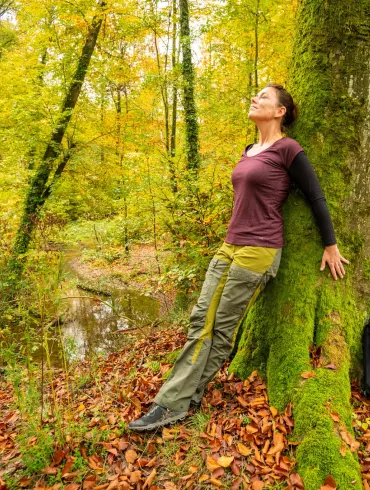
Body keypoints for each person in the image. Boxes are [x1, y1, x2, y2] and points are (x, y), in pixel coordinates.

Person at [128, 83, 349, 431]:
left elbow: (316, 196)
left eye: (263, 97)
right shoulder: (249, 150)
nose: (254, 98)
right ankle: (186, 398)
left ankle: (168, 404)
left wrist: (330, 244)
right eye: (255, 95)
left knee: (218, 329)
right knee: (201, 323)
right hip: (230, 245)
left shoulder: (288, 149)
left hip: (259, 249)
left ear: (280, 112)